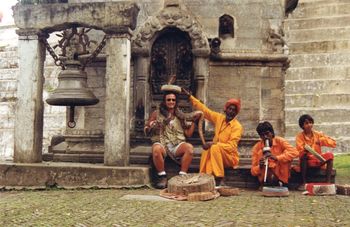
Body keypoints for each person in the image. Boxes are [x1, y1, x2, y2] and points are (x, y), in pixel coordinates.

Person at [182, 88, 243, 186]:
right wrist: (190, 97)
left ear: (236, 113)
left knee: (213, 147)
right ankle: (204, 176)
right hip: (216, 155)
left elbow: (231, 147)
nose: (231, 112)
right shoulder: (219, 118)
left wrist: (214, 144)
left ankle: (220, 178)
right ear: (225, 109)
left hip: (230, 158)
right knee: (208, 149)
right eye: (229, 109)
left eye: (234, 110)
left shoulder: (237, 126)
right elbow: (205, 111)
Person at [144, 89, 199, 189]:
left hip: (177, 144)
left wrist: (194, 122)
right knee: (156, 149)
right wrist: (153, 125)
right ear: (164, 101)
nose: (171, 102)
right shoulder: (157, 113)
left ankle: (182, 176)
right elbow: (147, 129)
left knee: (189, 148)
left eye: (173, 100)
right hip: (162, 143)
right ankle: (162, 176)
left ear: (176, 102)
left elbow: (188, 134)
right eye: (168, 100)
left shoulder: (180, 115)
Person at [251, 121, 298, 188]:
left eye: (267, 133)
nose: (265, 137)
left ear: (272, 133)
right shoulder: (257, 147)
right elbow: (253, 171)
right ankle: (265, 183)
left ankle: (281, 182)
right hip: (266, 176)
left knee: (286, 156)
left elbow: (295, 152)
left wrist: (277, 158)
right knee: (261, 156)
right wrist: (260, 166)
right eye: (262, 135)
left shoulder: (280, 141)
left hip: (280, 175)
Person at [295, 114, 336, 190]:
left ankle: (328, 182)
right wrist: (305, 150)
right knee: (303, 156)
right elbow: (299, 150)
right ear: (302, 126)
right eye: (306, 123)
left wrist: (322, 140)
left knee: (330, 156)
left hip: (318, 160)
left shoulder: (318, 134)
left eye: (311, 122)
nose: (309, 125)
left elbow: (333, 143)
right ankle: (304, 182)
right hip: (307, 161)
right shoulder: (299, 136)